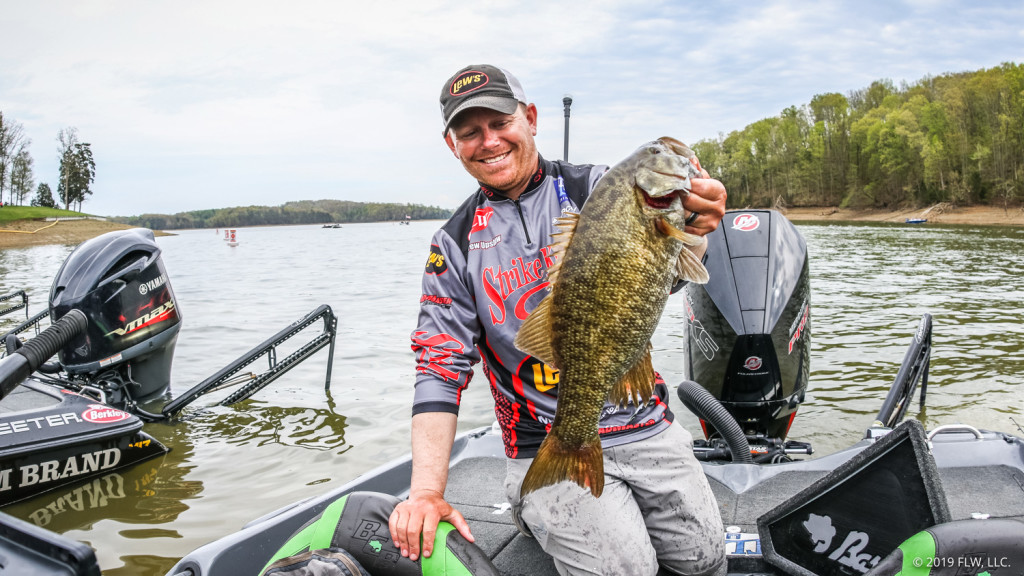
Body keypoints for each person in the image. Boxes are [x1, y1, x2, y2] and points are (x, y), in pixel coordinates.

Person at [388, 64, 728, 576]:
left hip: (646, 423)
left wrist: (697, 227)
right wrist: (427, 493)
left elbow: (655, 283)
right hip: (543, 438)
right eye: (469, 132)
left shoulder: (598, 189)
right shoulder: (453, 244)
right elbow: (439, 366)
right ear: (452, 145)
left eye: (500, 122)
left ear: (530, 118)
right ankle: (538, 498)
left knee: (706, 564)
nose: (488, 141)